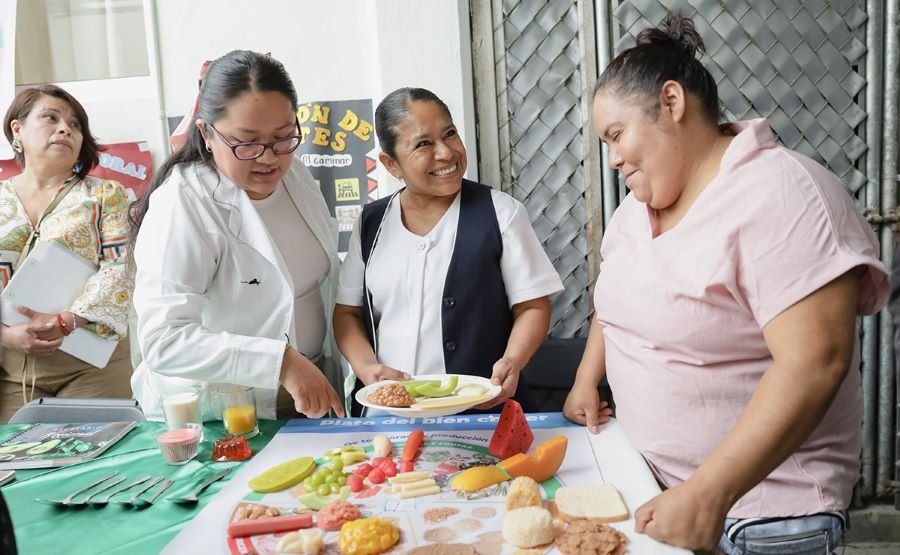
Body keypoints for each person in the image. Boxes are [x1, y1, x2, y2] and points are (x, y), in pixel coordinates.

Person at [562, 14, 889, 554]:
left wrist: (706, 496)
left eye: (617, 135)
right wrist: (585, 378)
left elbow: (816, 362)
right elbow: (613, 297)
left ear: (671, 102)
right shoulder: (636, 208)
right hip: (657, 491)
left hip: (757, 518)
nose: (613, 157)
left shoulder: (781, 194)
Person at [129, 50, 344, 420]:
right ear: (207, 134)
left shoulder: (296, 177)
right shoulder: (183, 202)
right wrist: (280, 363)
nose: (268, 157)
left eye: (283, 137)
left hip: (310, 391)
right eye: (247, 142)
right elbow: (164, 340)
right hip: (225, 410)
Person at [333, 87, 564, 415]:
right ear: (391, 164)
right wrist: (367, 368)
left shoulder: (501, 213)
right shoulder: (371, 223)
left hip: (481, 410)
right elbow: (347, 313)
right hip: (389, 415)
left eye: (450, 134)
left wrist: (512, 361)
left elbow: (532, 306)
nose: (445, 153)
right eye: (423, 144)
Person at [0, 85, 134, 422]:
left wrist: (65, 322)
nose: (65, 129)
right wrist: (6, 336)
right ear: (17, 130)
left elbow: (120, 268)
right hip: (11, 365)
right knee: (17, 453)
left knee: (97, 450)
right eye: (51, 118)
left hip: (91, 362)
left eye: (75, 125)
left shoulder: (106, 194)